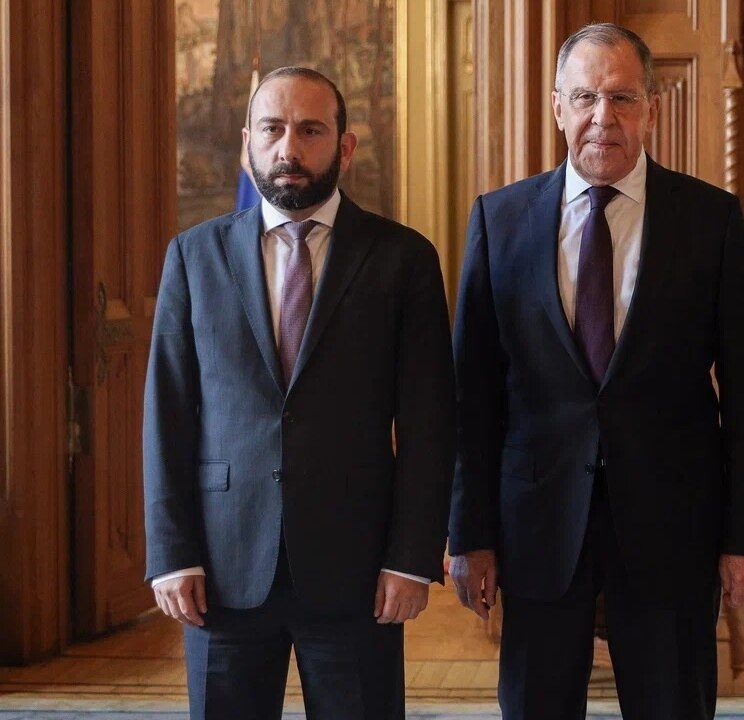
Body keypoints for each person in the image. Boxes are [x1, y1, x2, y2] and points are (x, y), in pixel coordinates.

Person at [448, 23, 744, 720]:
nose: (605, 117)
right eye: (586, 97)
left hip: (673, 528)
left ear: (653, 109)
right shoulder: (498, 221)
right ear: (559, 108)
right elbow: (472, 397)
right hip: (535, 527)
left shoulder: (708, 220)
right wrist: (467, 534)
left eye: (623, 98)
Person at [143, 66, 455, 720]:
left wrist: (412, 559)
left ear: (344, 146)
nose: (289, 148)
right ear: (246, 144)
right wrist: (171, 554)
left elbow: (430, 425)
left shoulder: (402, 259)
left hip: (359, 569)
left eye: (310, 130)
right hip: (221, 569)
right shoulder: (192, 257)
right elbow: (168, 416)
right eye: (273, 129)